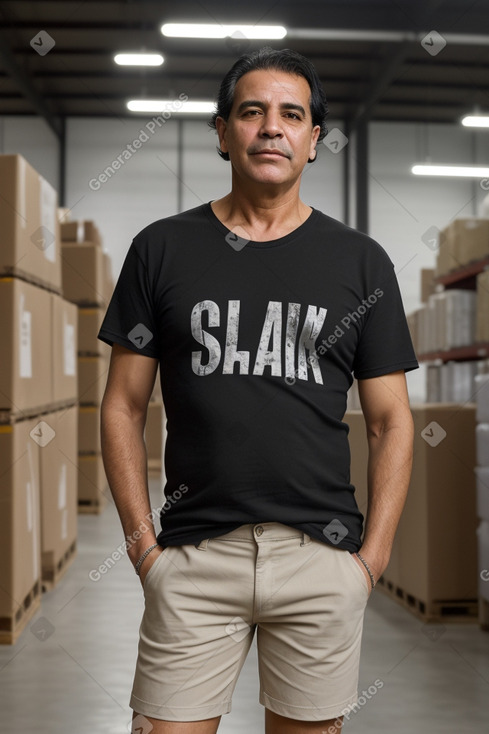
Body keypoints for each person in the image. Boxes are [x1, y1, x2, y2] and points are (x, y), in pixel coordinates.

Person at [99, 46, 418, 734]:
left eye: (290, 115)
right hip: (192, 559)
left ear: (312, 140)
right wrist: (142, 549)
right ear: (222, 133)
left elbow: (391, 422)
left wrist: (370, 562)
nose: (270, 127)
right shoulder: (161, 249)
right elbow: (122, 406)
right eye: (251, 112)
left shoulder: (360, 262)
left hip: (320, 560)